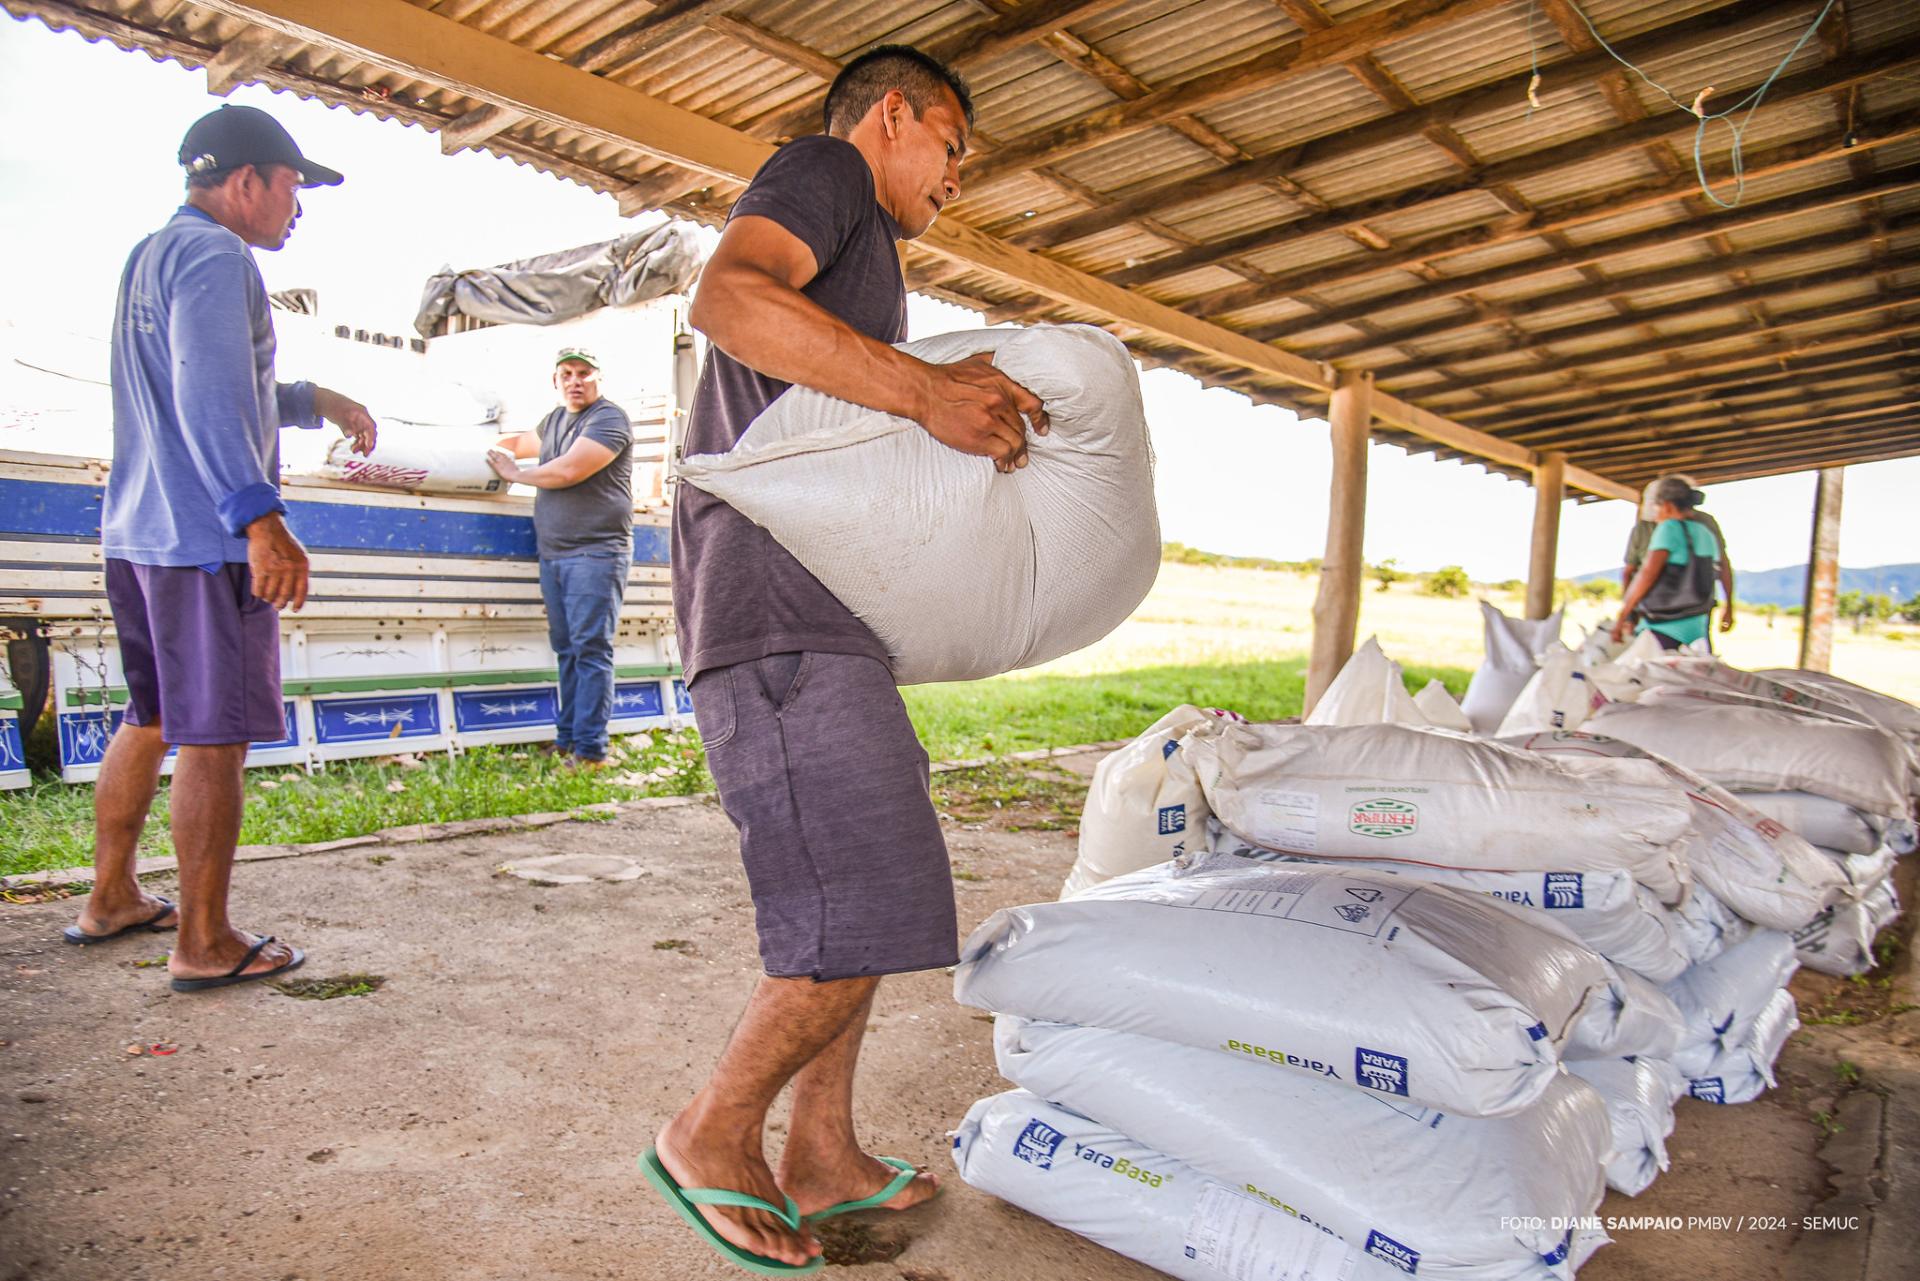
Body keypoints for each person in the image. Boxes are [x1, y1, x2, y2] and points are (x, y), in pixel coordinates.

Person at [643, 45, 1048, 1275]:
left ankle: (821, 1151)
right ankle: (711, 1133)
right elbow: (729, 297)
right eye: (954, 149)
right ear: (893, 117)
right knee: (869, 904)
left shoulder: (867, 259)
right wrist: (924, 393)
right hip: (773, 620)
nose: (956, 182)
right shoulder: (825, 170)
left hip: (824, 618)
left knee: (861, 896)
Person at [65, 105, 377, 993]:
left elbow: (208, 380)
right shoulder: (216, 255)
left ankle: (113, 896)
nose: (298, 207)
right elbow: (207, 394)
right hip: (205, 540)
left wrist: (314, 397)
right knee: (216, 737)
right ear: (245, 182)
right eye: (292, 186)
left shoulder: (154, 252)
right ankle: (204, 939)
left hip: (140, 532)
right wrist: (259, 517)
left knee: (152, 715)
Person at [487, 348, 634, 766]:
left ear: (598, 378)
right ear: (556, 381)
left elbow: (569, 470)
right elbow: (518, 443)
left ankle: (590, 751)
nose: (575, 381)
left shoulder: (608, 419)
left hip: (595, 552)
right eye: (566, 373)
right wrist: (480, 449)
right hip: (554, 554)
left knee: (590, 649)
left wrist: (515, 474)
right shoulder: (554, 421)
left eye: (584, 373)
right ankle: (568, 740)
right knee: (567, 649)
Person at [1613, 476, 1725, 651]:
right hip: (1697, 624)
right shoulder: (1705, 532)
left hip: (1664, 625)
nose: (1656, 516)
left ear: (1667, 506)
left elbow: (1647, 575)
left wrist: (1623, 616)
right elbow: (1719, 570)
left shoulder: (1668, 528)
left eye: (1656, 509)